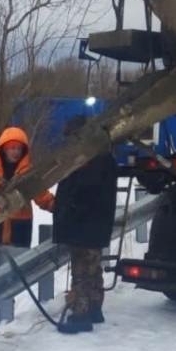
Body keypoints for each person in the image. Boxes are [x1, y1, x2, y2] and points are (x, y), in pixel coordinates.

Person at [0, 126, 55, 329]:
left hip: (18, 232)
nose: (15, 151)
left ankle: (5, 321)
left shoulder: (28, 174)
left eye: (19, 148)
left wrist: (59, 208)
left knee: (10, 281)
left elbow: (44, 198)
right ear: (2, 149)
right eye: (11, 147)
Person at [52, 116, 119, 334]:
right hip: (94, 225)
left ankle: (80, 315)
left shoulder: (88, 164)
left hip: (83, 226)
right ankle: (94, 309)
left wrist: (68, 212)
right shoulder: (104, 159)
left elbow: (81, 194)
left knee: (81, 271)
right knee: (92, 268)